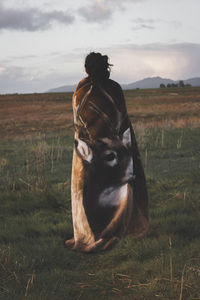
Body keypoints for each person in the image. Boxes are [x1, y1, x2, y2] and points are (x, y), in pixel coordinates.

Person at [65, 52, 148, 252]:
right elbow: (122, 122)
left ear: (86, 69)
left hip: (87, 152)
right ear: (106, 67)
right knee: (117, 192)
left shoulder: (80, 91)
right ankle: (116, 229)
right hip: (116, 150)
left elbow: (78, 124)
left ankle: (88, 233)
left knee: (87, 191)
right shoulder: (114, 89)